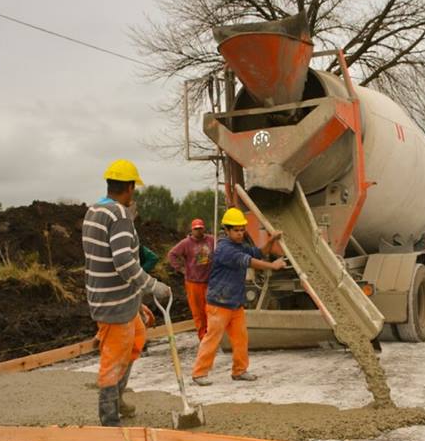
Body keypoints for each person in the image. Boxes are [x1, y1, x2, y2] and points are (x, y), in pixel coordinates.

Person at [83, 159, 171, 426]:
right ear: (130, 188)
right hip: (113, 303)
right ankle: (109, 416)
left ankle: (118, 399)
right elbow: (124, 263)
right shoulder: (119, 216)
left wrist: (137, 301)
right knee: (115, 357)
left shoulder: (94, 211)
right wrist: (153, 286)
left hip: (118, 298)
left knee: (137, 338)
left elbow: (106, 260)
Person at [191, 208, 285, 386]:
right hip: (219, 302)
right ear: (226, 231)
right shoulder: (225, 249)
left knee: (241, 338)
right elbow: (248, 261)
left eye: (242, 230)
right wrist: (272, 266)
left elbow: (257, 253)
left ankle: (240, 371)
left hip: (234, 302)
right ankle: (199, 373)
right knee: (212, 338)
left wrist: (271, 240)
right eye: (236, 230)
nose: (240, 233)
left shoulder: (239, 245)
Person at [167, 218, 215, 341]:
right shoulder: (186, 243)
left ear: (203, 228)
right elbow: (171, 254)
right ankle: (203, 337)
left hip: (210, 281)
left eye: (200, 228)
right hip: (193, 283)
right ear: (192, 230)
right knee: (198, 313)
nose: (198, 231)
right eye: (196, 229)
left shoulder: (211, 240)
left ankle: (213, 336)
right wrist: (182, 269)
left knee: (211, 310)